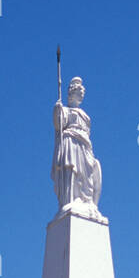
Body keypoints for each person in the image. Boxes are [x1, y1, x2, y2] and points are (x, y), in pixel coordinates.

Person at [52, 77, 102, 212]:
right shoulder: (66, 110)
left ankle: (87, 200)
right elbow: (59, 125)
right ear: (72, 92)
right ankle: (70, 198)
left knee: (88, 172)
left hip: (85, 145)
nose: (82, 93)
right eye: (79, 91)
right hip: (71, 142)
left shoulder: (86, 116)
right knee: (71, 169)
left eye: (82, 92)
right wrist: (57, 110)